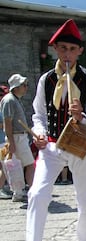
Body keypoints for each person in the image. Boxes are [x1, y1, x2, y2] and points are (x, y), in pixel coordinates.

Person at [8, 19, 86, 241]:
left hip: (80, 146)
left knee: (84, 200)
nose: (66, 54)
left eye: (71, 49)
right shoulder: (46, 79)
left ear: (79, 52)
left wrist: (82, 116)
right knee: (38, 195)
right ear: (55, 50)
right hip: (51, 146)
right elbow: (38, 114)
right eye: (61, 48)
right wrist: (39, 133)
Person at [1, 74, 35, 202]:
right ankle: (31, 191)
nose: (26, 88)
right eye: (23, 85)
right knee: (29, 164)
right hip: (16, 137)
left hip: (19, 137)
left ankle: (19, 192)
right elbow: (7, 122)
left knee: (17, 166)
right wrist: (11, 142)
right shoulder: (9, 100)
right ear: (16, 87)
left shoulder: (13, 99)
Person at [0, 85, 13, 199]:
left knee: (5, 166)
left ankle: (7, 187)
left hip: (3, 140)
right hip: (1, 142)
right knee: (4, 166)